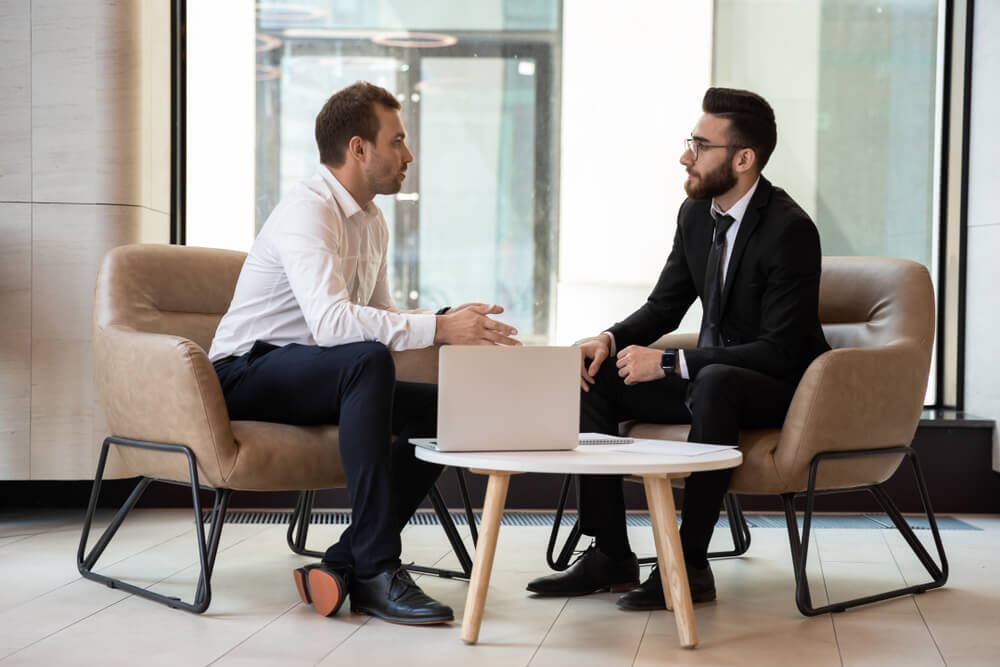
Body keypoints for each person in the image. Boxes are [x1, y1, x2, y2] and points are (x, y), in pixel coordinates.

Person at [209, 81, 519, 625]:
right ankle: (377, 568)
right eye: (397, 140)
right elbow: (334, 327)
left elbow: (382, 320)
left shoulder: (372, 220)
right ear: (358, 148)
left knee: (441, 411)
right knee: (365, 360)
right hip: (246, 372)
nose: (409, 154)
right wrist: (439, 327)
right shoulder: (309, 210)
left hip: (317, 375)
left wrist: (446, 325)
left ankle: (344, 560)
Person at [526, 87, 830, 610]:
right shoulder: (695, 217)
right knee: (594, 376)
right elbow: (664, 308)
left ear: (743, 159)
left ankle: (687, 564)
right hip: (710, 379)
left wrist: (669, 361)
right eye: (689, 141)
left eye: (700, 145)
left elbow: (779, 350)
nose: (685, 156)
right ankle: (611, 553)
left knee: (713, 381)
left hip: (777, 386)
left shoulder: (790, 230)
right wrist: (608, 339)